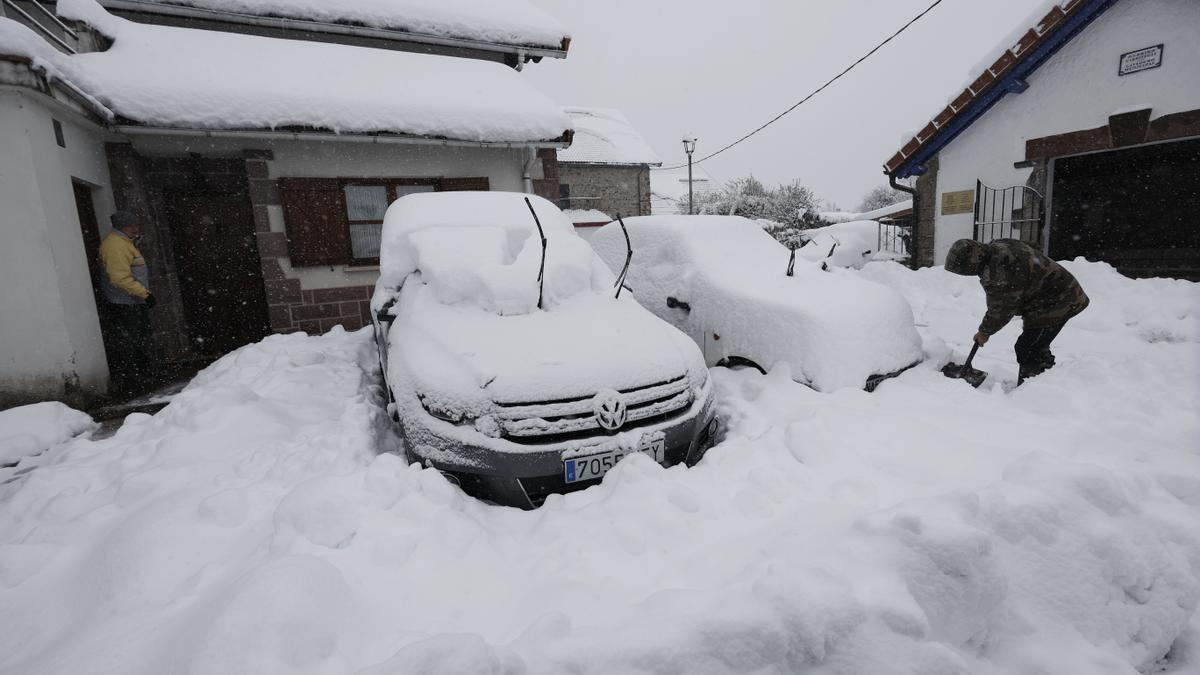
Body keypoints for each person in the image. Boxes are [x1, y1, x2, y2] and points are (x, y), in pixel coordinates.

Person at [945, 238, 1089, 385]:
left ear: (973, 261)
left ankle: (1034, 389)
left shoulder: (1000, 271)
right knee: (1036, 346)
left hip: (1058, 301)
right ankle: (1045, 378)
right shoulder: (998, 247)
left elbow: (1002, 308)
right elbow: (1032, 245)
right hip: (1051, 295)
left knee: (1028, 349)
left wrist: (984, 332)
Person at [99, 210, 156, 396]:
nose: (137, 227)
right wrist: (144, 294)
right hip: (125, 303)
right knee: (131, 342)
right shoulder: (116, 245)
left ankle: (140, 378)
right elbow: (119, 278)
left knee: (136, 339)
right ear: (124, 226)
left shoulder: (124, 243)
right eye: (133, 225)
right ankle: (134, 382)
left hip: (131, 301)